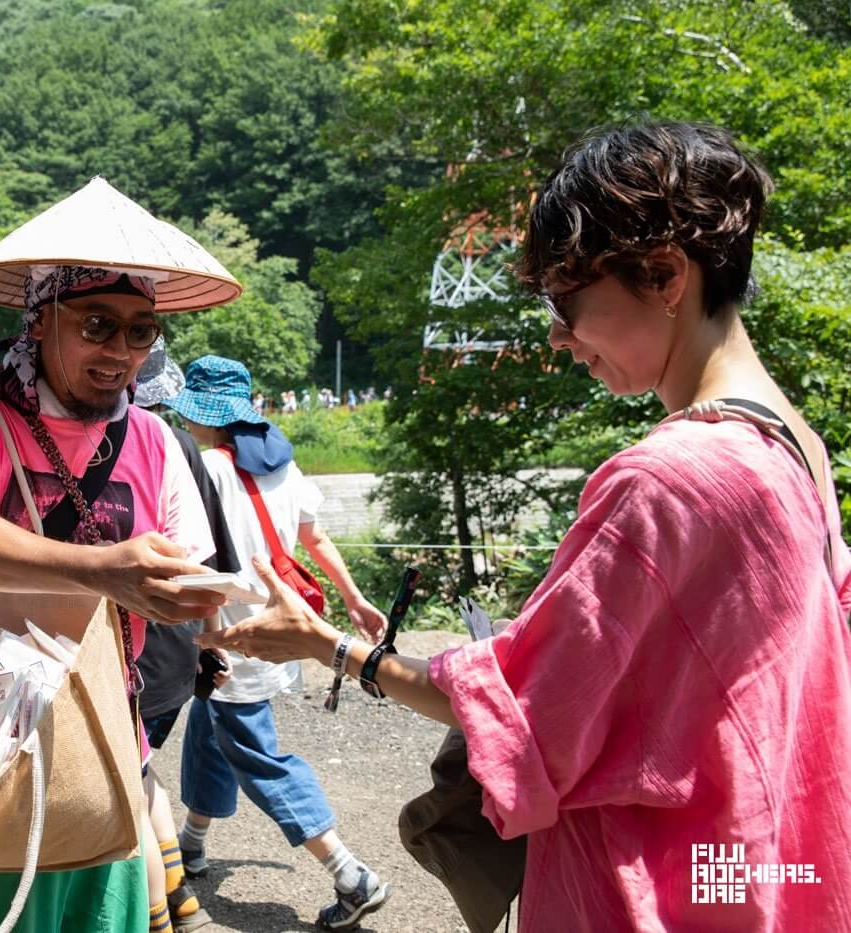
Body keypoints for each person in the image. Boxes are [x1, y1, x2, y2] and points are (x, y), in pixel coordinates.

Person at [198, 123, 851, 931]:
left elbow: (521, 710)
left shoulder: (666, 480)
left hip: (645, 893)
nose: (554, 334)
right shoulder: (798, 447)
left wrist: (329, 644)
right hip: (757, 870)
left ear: (662, 274)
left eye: (564, 301)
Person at [0, 177, 243, 933]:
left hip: (109, 730)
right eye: (97, 323)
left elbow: (190, 569)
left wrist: (238, 612)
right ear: (40, 319)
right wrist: (104, 568)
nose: (120, 351)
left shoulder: (155, 440)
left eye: (141, 331)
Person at [162, 355, 392, 931]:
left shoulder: (202, 469)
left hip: (232, 639)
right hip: (278, 637)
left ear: (200, 417)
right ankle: (190, 843)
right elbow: (316, 538)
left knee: (256, 755)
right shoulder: (282, 468)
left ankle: (349, 873)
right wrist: (357, 600)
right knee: (208, 732)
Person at [132, 340, 237, 933]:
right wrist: (212, 642)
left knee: (124, 785)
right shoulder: (180, 444)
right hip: (178, 658)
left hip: (130, 657)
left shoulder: (117, 443)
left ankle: (159, 916)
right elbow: (215, 559)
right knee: (140, 772)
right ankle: (181, 902)